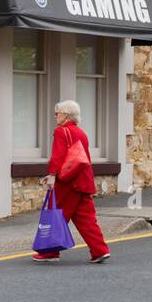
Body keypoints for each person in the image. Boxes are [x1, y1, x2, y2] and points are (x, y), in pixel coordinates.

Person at [33, 99, 111, 264]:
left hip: (68, 182)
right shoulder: (81, 133)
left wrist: (53, 174)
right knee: (86, 218)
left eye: (58, 113)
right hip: (83, 182)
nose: (55, 116)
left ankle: (50, 252)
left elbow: (58, 155)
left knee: (57, 214)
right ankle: (100, 250)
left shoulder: (61, 131)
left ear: (66, 115)